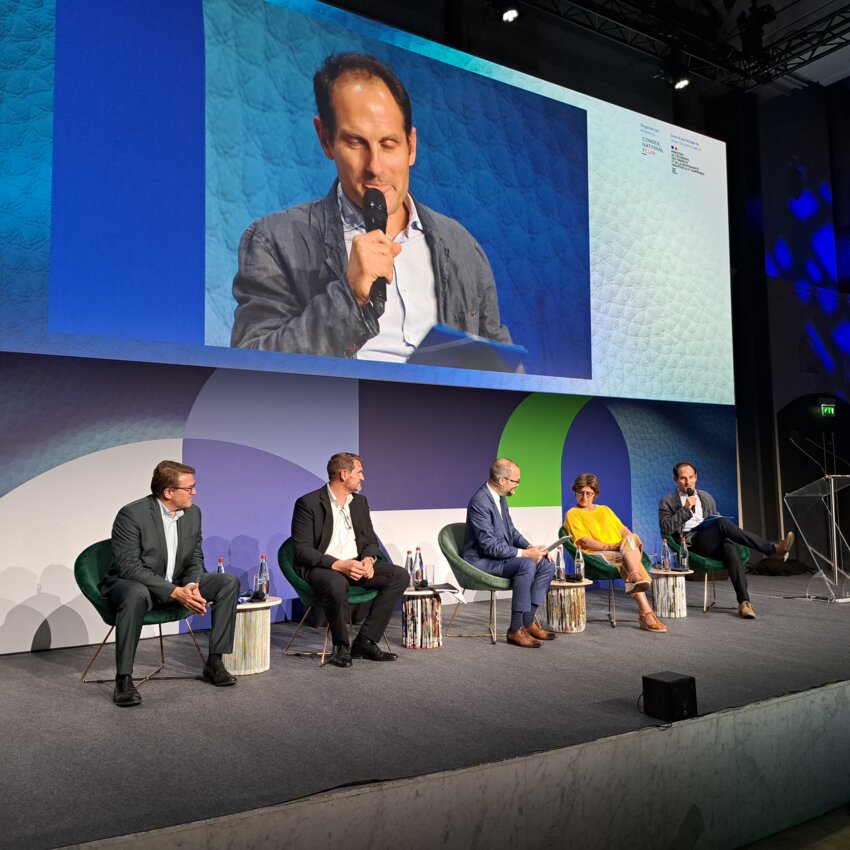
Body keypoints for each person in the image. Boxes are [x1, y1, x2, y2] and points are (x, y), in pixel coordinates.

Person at [231, 52, 512, 360]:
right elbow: (250, 368)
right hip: (339, 408)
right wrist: (349, 297)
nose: (375, 167)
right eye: (356, 143)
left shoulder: (461, 247)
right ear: (326, 140)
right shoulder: (274, 241)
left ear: (411, 146)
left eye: (388, 144)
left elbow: (503, 369)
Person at [101, 461, 240, 707]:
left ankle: (215, 662)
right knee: (135, 593)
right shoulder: (132, 514)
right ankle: (123, 679)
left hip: (178, 583)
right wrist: (175, 592)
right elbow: (129, 568)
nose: (195, 493)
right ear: (168, 492)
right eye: (189, 488)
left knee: (227, 582)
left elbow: (196, 557)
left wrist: (192, 586)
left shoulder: (193, 513)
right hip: (135, 584)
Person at [291, 452, 408, 668]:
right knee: (337, 583)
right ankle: (341, 646)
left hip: (356, 565)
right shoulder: (308, 503)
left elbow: (371, 541)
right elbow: (301, 550)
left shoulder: (360, 502)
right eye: (359, 472)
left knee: (399, 575)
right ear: (344, 474)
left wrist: (368, 560)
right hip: (325, 567)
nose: (362, 477)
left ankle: (365, 641)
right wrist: (338, 565)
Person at [658, 462, 794, 619]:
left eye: (691, 477)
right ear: (675, 479)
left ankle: (744, 602)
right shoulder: (667, 501)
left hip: (710, 540)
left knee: (730, 548)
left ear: (696, 477)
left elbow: (715, 519)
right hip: (691, 545)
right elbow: (665, 528)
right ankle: (773, 549)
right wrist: (685, 510)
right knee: (722, 524)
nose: (688, 482)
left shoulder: (706, 497)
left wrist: (716, 523)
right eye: (683, 478)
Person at [463, 458, 557, 647]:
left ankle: (528, 622)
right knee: (526, 563)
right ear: (501, 480)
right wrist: (524, 554)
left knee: (546, 564)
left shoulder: (500, 497)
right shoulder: (479, 502)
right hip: (482, 561)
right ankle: (515, 629)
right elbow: (488, 546)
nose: (518, 485)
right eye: (516, 481)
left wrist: (531, 547)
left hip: (499, 557)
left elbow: (511, 531)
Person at [565, 473, 666, 633]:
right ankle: (646, 612)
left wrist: (629, 543)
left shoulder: (605, 509)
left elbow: (623, 530)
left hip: (621, 550)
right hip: (596, 554)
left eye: (588, 493)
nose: (584, 497)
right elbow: (584, 541)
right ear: (575, 492)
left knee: (632, 538)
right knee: (625, 559)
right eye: (580, 492)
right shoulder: (573, 513)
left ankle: (635, 577)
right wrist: (614, 547)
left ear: (595, 494)